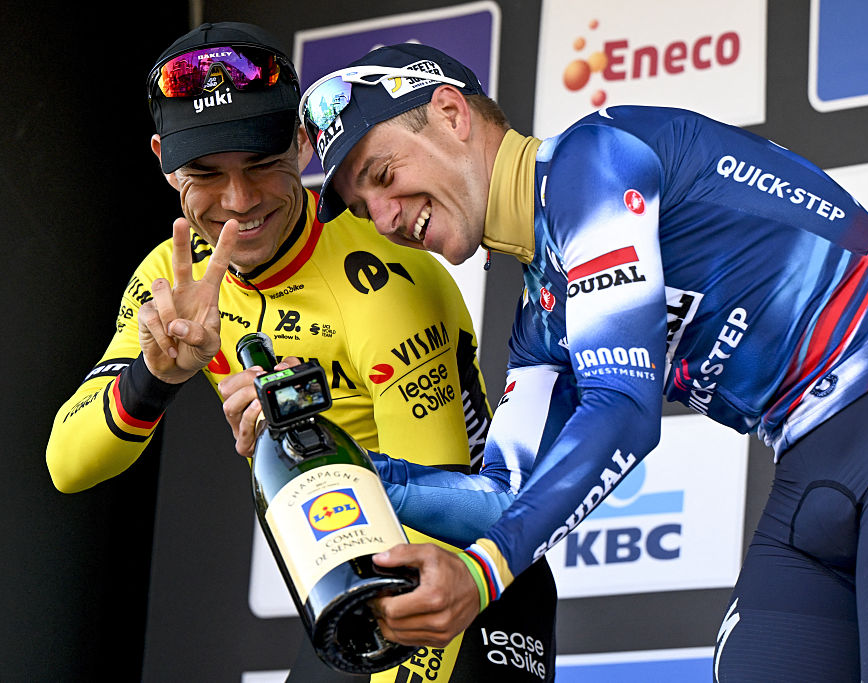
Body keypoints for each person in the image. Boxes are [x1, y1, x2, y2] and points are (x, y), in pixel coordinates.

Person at [300, 42, 868, 681]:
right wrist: (337, 470)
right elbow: (502, 499)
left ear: (453, 112)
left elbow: (623, 409)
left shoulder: (596, 159)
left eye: (382, 172)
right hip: (811, 462)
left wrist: (486, 570)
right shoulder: (540, 316)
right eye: (365, 207)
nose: (386, 215)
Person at [44, 24, 557, 683]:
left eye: (261, 164)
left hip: (467, 571)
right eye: (205, 175)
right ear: (166, 164)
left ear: (304, 142)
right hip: (345, 575)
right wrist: (154, 375)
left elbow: (430, 529)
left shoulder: (386, 275)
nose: (238, 201)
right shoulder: (173, 280)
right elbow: (67, 462)